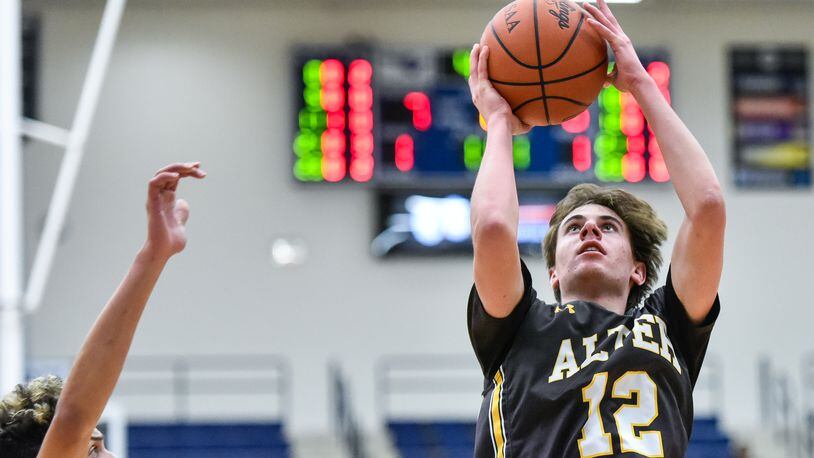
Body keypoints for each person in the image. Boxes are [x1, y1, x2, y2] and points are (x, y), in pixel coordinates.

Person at [466, 0, 726, 456]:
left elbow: (706, 207)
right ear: (552, 273)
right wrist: (500, 122)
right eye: (574, 228)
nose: (589, 232)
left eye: (608, 227)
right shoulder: (519, 325)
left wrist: (641, 84)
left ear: (639, 270)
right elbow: (491, 227)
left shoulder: (670, 325)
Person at [0, 162, 206, 458]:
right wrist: (153, 254)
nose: (112, 456)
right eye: (93, 450)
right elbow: (73, 419)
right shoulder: (68, 429)